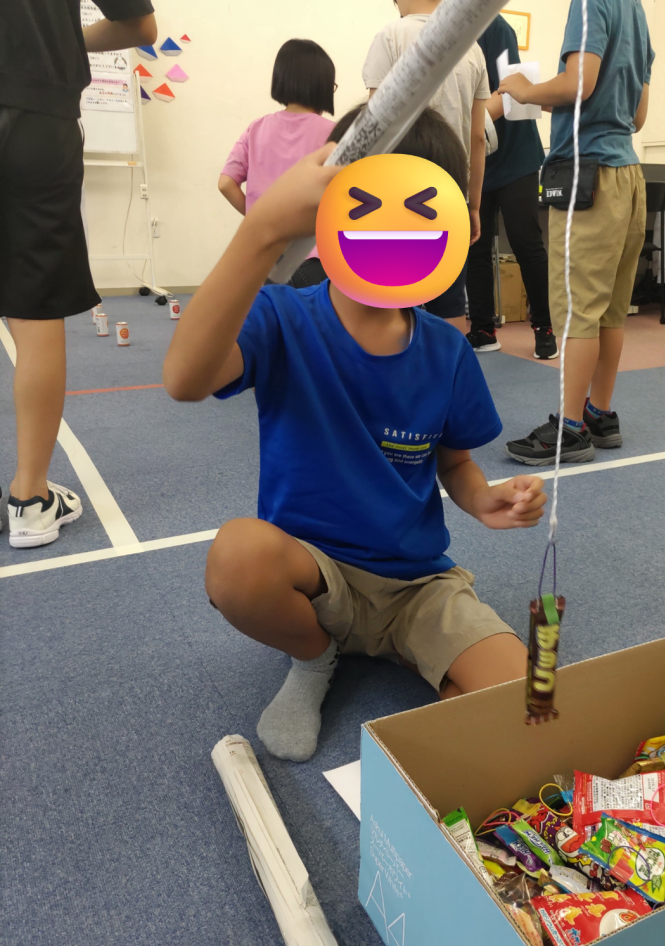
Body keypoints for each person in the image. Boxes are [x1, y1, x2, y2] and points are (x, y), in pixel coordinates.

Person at [162, 106, 547, 763]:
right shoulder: (283, 317)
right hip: (315, 577)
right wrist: (261, 229)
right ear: (331, 211)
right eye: (368, 210)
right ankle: (315, 655)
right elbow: (183, 378)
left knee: (531, 706)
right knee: (237, 558)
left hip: (419, 588)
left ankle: (417, 661)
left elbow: (455, 464)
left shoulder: (446, 351)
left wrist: (484, 499)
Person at [0, 0, 157, 548]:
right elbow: (140, 25)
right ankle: (30, 500)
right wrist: (67, 36)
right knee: (35, 307)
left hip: (35, 110)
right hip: (35, 116)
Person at [498, 0, 653, 466]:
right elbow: (636, 115)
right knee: (610, 310)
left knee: (579, 310)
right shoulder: (637, 13)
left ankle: (569, 429)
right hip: (628, 176)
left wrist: (525, 89)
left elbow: (579, 84)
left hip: (589, 178)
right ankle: (599, 414)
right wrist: (552, 96)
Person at [362, 0, 489, 334]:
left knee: (392, 297)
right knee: (449, 302)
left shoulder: (391, 36)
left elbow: (376, 127)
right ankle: (448, 367)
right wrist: (473, 205)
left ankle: (397, 367)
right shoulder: (472, 47)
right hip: (451, 190)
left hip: (397, 191)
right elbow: (478, 138)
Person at [465, 15, 554, 359]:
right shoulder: (444, 32)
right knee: (475, 244)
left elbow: (509, 92)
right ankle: (483, 329)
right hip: (477, 156)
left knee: (525, 241)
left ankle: (544, 327)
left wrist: (465, 125)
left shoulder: (493, 27)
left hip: (515, 156)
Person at [219, 39, 336, 289]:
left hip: (264, 257)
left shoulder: (256, 129)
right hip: (314, 259)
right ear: (322, 86)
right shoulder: (334, 133)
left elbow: (225, 183)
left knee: (271, 314)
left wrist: (258, 218)